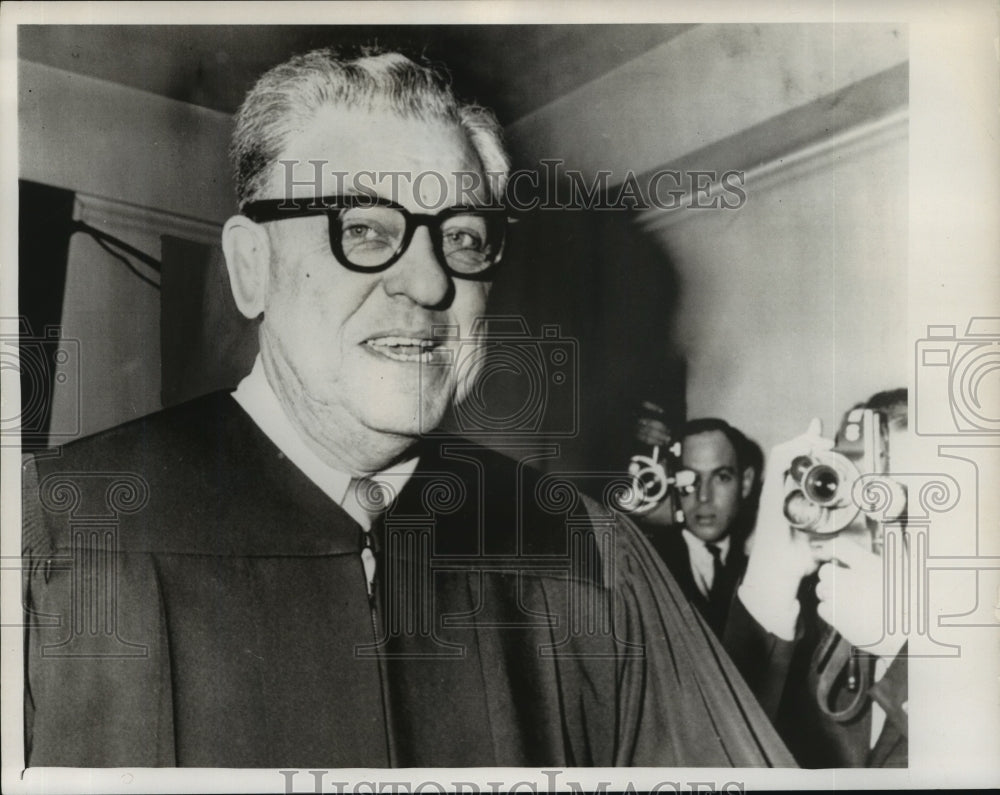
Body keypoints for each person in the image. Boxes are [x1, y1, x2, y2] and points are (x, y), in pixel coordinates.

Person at [21, 46, 793, 768]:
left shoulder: (589, 556)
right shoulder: (53, 533)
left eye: (462, 238)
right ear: (251, 266)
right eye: (361, 227)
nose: (428, 285)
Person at [724, 389, 909, 767]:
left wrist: (906, 644)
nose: (885, 522)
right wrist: (768, 589)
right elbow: (715, 755)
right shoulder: (819, 635)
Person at [647, 418, 760, 635]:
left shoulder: (758, 574)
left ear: (745, 483)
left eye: (721, 477)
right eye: (690, 478)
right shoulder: (644, 562)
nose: (704, 496)